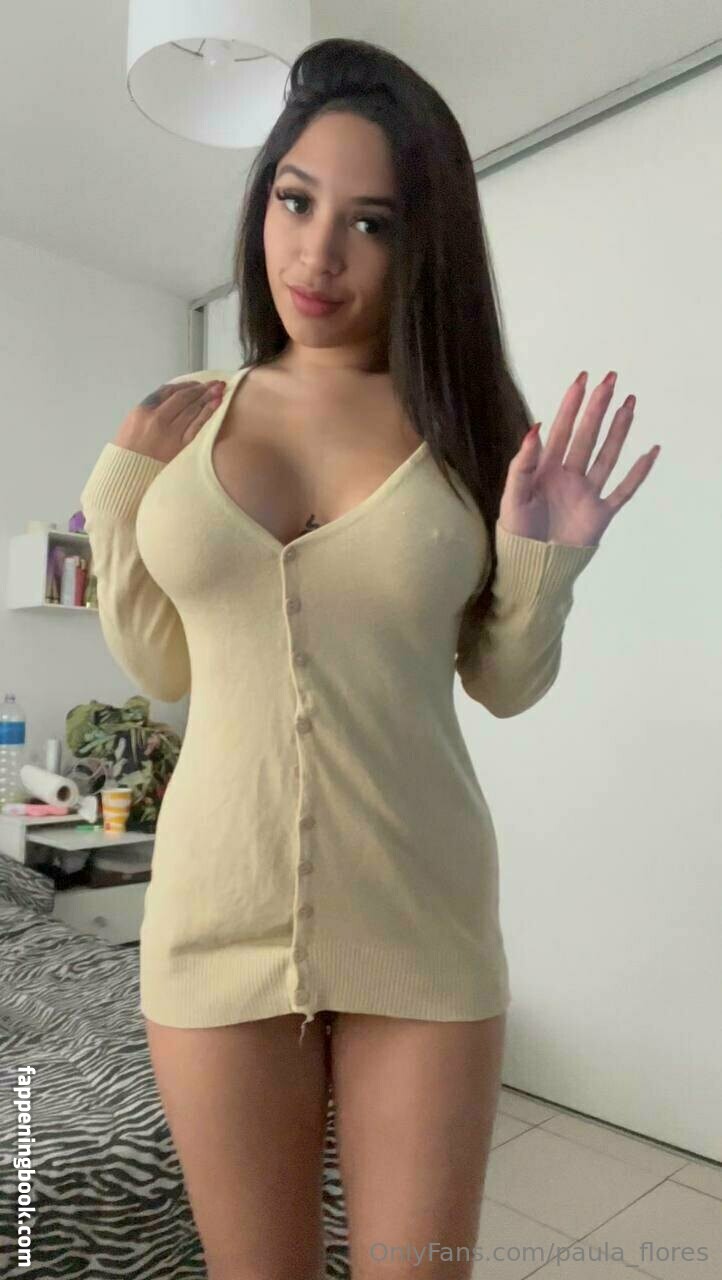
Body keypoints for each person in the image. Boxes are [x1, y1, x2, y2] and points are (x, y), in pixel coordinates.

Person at [80, 34, 657, 1280]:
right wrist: (118, 493)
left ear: (418, 243)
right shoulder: (190, 418)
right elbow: (162, 665)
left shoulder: (464, 427)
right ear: (262, 203)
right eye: (295, 201)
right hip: (211, 922)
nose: (316, 254)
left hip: (421, 920)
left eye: (369, 222)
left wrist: (544, 562)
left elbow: (501, 681)